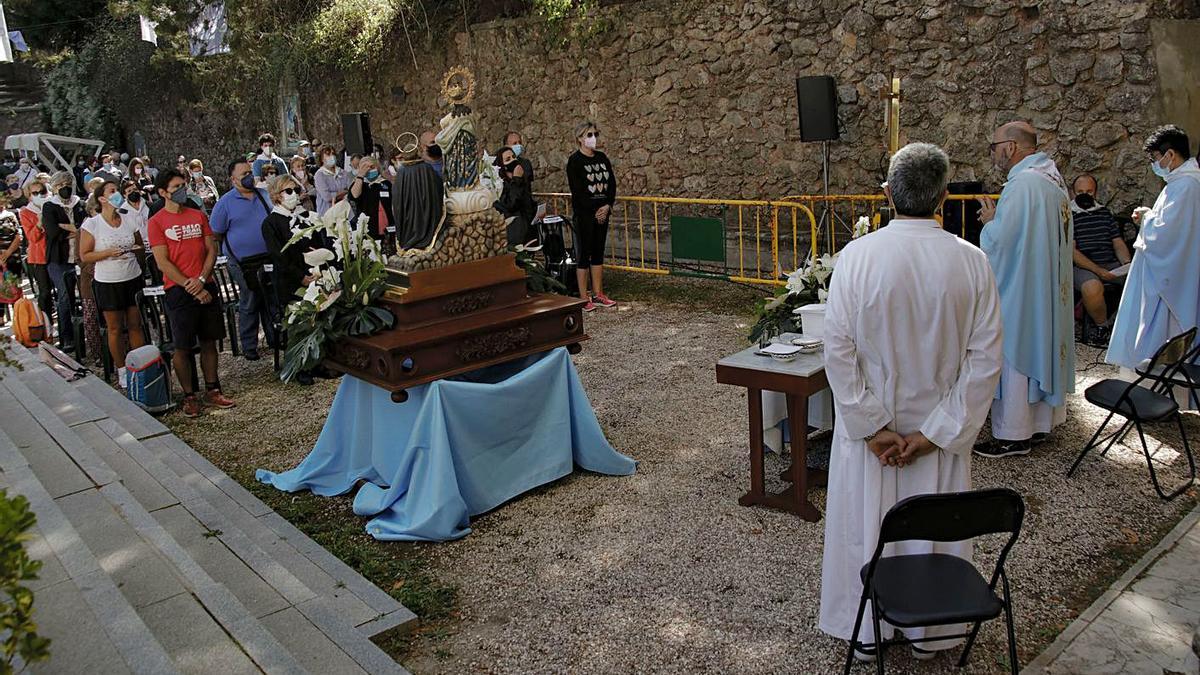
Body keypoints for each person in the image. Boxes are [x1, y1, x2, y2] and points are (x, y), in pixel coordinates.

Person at [819, 143, 1003, 660]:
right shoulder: (973, 262)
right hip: (934, 434)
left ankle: (867, 632)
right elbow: (984, 361)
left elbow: (838, 350)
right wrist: (934, 433)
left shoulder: (857, 257)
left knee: (867, 526)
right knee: (932, 530)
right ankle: (931, 634)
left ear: (887, 194)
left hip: (875, 438)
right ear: (944, 196)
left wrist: (872, 424)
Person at [973, 121, 1074, 458]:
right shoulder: (1053, 183)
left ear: (1012, 147)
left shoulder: (1022, 186)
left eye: (995, 145)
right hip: (1046, 288)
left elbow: (1002, 243)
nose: (994, 153)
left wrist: (989, 223)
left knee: (1014, 350)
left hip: (1020, 290)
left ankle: (1014, 433)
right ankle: (1040, 423)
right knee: (1041, 344)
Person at [1108, 125, 1200, 375]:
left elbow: (1167, 235)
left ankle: (1155, 391)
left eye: (1155, 158)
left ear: (1170, 155)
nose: (1154, 164)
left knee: (1160, 332)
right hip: (1164, 271)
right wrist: (1150, 215)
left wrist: (1147, 218)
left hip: (1167, 278)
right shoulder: (1179, 183)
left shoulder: (1186, 186)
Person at [147, 169, 235, 417]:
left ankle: (212, 388)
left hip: (204, 283)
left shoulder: (197, 215)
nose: (182, 190)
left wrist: (200, 279)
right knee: (182, 346)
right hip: (178, 289)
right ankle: (189, 395)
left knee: (209, 341)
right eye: (176, 187)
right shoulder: (156, 222)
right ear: (163, 192)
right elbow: (162, 262)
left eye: (183, 185)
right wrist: (190, 285)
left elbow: (211, 249)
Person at [80, 181, 146, 385]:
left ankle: (140, 367)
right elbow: (85, 255)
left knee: (136, 325)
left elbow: (140, 245)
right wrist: (108, 253)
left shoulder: (128, 219)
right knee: (115, 328)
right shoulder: (92, 224)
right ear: (102, 198)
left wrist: (135, 251)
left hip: (132, 276)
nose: (117, 194)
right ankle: (122, 369)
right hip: (108, 281)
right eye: (112, 191)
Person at [261, 174, 324, 385]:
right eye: (288, 191)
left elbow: (317, 241)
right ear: (277, 195)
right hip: (291, 280)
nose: (293, 195)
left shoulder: (305, 216)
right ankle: (300, 366)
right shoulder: (271, 223)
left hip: (315, 273)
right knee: (298, 323)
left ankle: (319, 360)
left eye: (296, 190)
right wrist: (300, 277)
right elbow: (279, 255)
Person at [210, 159, 275, 360]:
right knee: (250, 301)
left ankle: (275, 338)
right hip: (242, 263)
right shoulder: (225, 204)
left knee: (271, 299)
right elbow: (216, 233)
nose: (248, 177)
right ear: (233, 179)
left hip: (267, 258)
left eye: (250, 173)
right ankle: (249, 346)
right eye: (243, 174)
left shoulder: (264, 195)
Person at [1070, 173, 1131, 343]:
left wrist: (1126, 264)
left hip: (1109, 262)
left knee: (1140, 279)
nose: (1085, 195)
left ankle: (1125, 326)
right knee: (1092, 288)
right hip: (1083, 266)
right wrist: (1098, 271)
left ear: (1095, 193)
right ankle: (1102, 327)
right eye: (1080, 191)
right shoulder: (1068, 215)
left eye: (1089, 191)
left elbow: (1117, 242)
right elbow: (1072, 252)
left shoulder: (1104, 213)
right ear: (1073, 193)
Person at [566, 121, 618, 312]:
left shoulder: (602, 158)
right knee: (583, 256)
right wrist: (595, 210)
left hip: (603, 213)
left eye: (595, 134)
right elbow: (578, 191)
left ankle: (598, 293)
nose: (593, 138)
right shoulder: (575, 161)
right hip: (585, 215)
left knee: (597, 253)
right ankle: (583, 296)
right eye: (589, 135)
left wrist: (607, 206)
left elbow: (611, 184)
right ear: (580, 139)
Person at [42, 171, 87, 349]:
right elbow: (53, 233)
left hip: (80, 255)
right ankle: (67, 337)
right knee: (65, 295)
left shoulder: (80, 204)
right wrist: (75, 229)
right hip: (58, 259)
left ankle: (84, 334)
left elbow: (86, 227)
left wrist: (68, 228)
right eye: (59, 186)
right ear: (54, 188)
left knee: (85, 295)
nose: (64, 188)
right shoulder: (49, 206)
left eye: (66, 184)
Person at [391, 134, 445, 250]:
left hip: (407, 221)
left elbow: (396, 200)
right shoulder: (426, 169)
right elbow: (437, 189)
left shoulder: (401, 173)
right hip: (426, 215)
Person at [492, 146, 538, 246]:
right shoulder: (499, 185)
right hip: (514, 234)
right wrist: (516, 179)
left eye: (513, 157)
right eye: (508, 159)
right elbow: (511, 204)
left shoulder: (522, 179)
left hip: (528, 231)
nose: (513, 160)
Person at [20, 179, 52, 317]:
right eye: (35, 193)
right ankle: (45, 323)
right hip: (39, 256)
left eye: (42, 191)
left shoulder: (52, 205)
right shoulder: (25, 212)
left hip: (56, 252)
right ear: (29, 195)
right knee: (45, 292)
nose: (39, 195)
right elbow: (32, 238)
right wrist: (39, 223)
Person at [349, 155, 394, 248]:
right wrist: (361, 175)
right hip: (369, 228)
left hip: (387, 226)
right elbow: (354, 195)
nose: (369, 169)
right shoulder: (360, 184)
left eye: (372, 167)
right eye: (366, 167)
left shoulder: (385, 183)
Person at [314, 144, 350, 216]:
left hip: (343, 211)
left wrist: (335, 194)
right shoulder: (320, 175)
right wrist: (342, 192)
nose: (331, 156)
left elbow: (349, 190)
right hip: (327, 212)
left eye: (333, 154)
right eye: (328, 154)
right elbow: (327, 197)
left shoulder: (343, 172)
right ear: (321, 158)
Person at [0, 200, 20, 326]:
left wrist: (8, 253)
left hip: (12, 257)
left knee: (14, 286)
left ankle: (18, 315)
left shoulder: (10, 215)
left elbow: (19, 236)